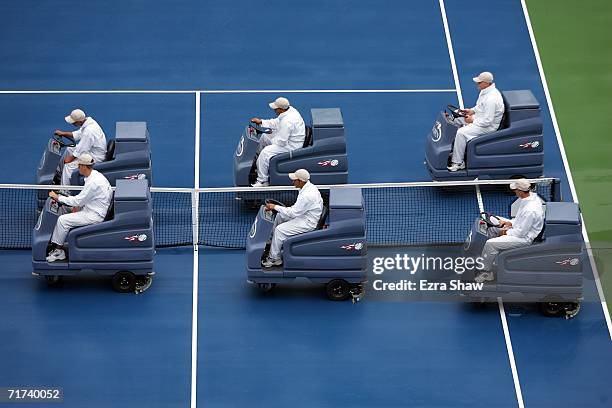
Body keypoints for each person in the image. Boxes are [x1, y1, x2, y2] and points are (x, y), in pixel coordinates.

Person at [46, 154, 113, 263]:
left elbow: (78, 200)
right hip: (93, 208)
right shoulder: (96, 175)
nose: (78, 167)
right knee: (67, 211)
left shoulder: (93, 182)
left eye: (79, 165)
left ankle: (58, 251)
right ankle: (61, 242)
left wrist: (58, 197)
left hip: (94, 215)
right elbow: (85, 199)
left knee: (63, 220)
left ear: (84, 166)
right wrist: (77, 205)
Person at [475, 178, 545, 282]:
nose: (514, 191)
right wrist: (510, 223)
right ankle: (492, 257)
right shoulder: (530, 198)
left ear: (521, 191)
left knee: (490, 244)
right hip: (520, 228)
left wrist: (506, 232)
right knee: (496, 222)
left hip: (525, 239)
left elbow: (521, 233)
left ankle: (487, 272)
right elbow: (520, 220)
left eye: (516, 189)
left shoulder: (530, 210)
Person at [261, 169, 323, 268]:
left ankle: (274, 259)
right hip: (304, 215)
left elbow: (293, 213)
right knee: (280, 215)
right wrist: (279, 209)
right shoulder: (307, 187)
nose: (292, 181)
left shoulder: (307, 195)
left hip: (308, 222)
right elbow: (295, 210)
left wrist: (274, 207)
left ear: (301, 181)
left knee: (280, 230)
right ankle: (271, 242)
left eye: (294, 180)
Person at [448, 72, 504, 172]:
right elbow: (480, 107)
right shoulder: (485, 91)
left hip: (488, 127)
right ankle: (455, 150)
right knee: (456, 120)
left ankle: (458, 162)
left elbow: (488, 121)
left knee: (461, 133)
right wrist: (471, 111)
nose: (477, 84)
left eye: (479, 82)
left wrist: (472, 120)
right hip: (481, 119)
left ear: (486, 83)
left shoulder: (492, 99)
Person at [250, 97, 306, 187]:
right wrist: (261, 122)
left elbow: (281, 142)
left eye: (276, 108)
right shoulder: (289, 111)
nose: (274, 110)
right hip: (289, 139)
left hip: (292, 145)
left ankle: (262, 181)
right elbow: (277, 122)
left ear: (281, 109)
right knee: (265, 137)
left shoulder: (288, 121)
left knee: (265, 152)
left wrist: (273, 136)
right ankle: (256, 161)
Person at [54, 109, 107, 187]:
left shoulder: (89, 131)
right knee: (69, 149)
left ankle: (65, 191)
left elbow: (82, 148)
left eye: (74, 122)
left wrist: (70, 159)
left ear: (79, 122)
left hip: (96, 157)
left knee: (69, 166)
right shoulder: (88, 123)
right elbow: (78, 134)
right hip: (92, 150)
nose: (72, 124)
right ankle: (59, 173)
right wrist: (63, 133)